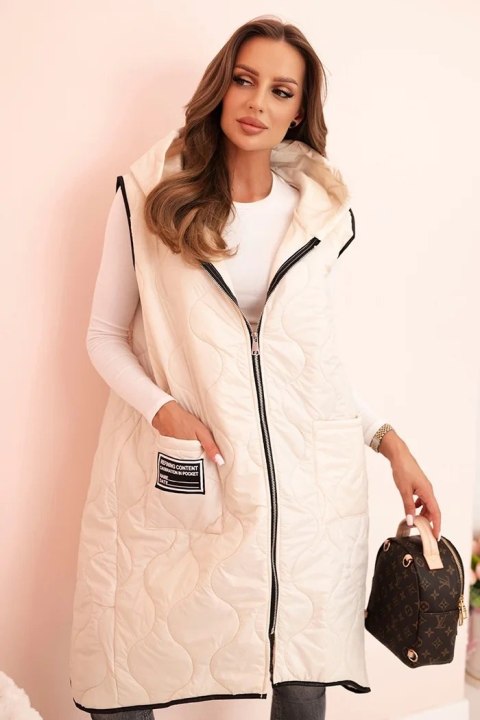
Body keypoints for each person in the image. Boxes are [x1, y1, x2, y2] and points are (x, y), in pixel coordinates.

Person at [69, 15, 441, 720]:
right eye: (244, 80)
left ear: (299, 111)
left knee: (301, 668)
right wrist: (165, 411)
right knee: (123, 665)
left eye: (280, 91)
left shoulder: (320, 217)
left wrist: (390, 442)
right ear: (221, 86)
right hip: (184, 469)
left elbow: (311, 366)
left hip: (303, 487)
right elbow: (104, 336)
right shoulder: (148, 193)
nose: (256, 103)